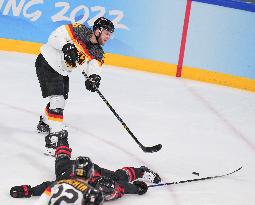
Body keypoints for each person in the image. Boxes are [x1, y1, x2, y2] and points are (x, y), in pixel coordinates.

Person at [35, 17, 114, 155]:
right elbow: (54, 37)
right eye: (107, 33)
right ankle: (54, 141)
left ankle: (45, 122)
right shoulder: (79, 30)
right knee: (57, 101)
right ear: (97, 30)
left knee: (61, 102)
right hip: (47, 63)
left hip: (62, 71)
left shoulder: (98, 52)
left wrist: (94, 78)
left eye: (110, 34)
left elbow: (94, 67)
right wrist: (65, 46)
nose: (109, 37)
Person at [10, 138, 161, 203]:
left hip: (92, 171)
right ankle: (62, 141)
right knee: (62, 161)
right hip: (69, 169)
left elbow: (122, 187)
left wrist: (137, 188)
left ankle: (141, 171)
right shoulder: (66, 182)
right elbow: (47, 187)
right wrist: (28, 190)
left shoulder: (100, 182)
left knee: (118, 176)